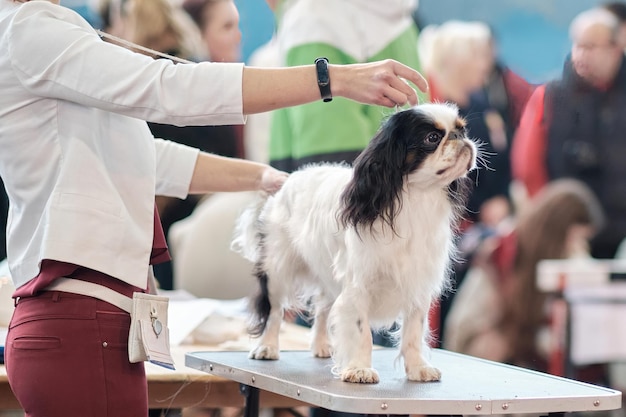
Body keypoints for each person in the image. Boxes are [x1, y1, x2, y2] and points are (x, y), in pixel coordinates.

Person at [0, 1, 428, 416]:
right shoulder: (32, 31)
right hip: (80, 325)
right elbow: (170, 89)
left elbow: (148, 158)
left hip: (92, 324)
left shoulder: (44, 31)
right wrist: (329, 79)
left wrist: (262, 178)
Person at [443, 179, 605, 371]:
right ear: (559, 233)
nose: (576, 244)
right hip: (481, 346)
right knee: (497, 343)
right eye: (575, 238)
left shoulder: (569, 252)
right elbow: (468, 325)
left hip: (526, 342)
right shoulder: (503, 251)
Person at [512, 7, 626, 259]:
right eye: (578, 44)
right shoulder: (549, 96)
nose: (581, 54)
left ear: (616, 48)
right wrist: (553, 221)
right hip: (568, 235)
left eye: (591, 46)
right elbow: (528, 167)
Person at [268, 0, 426, 173]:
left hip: (341, 178)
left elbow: (327, 145)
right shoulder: (399, 13)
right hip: (404, 171)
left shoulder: (315, 17)